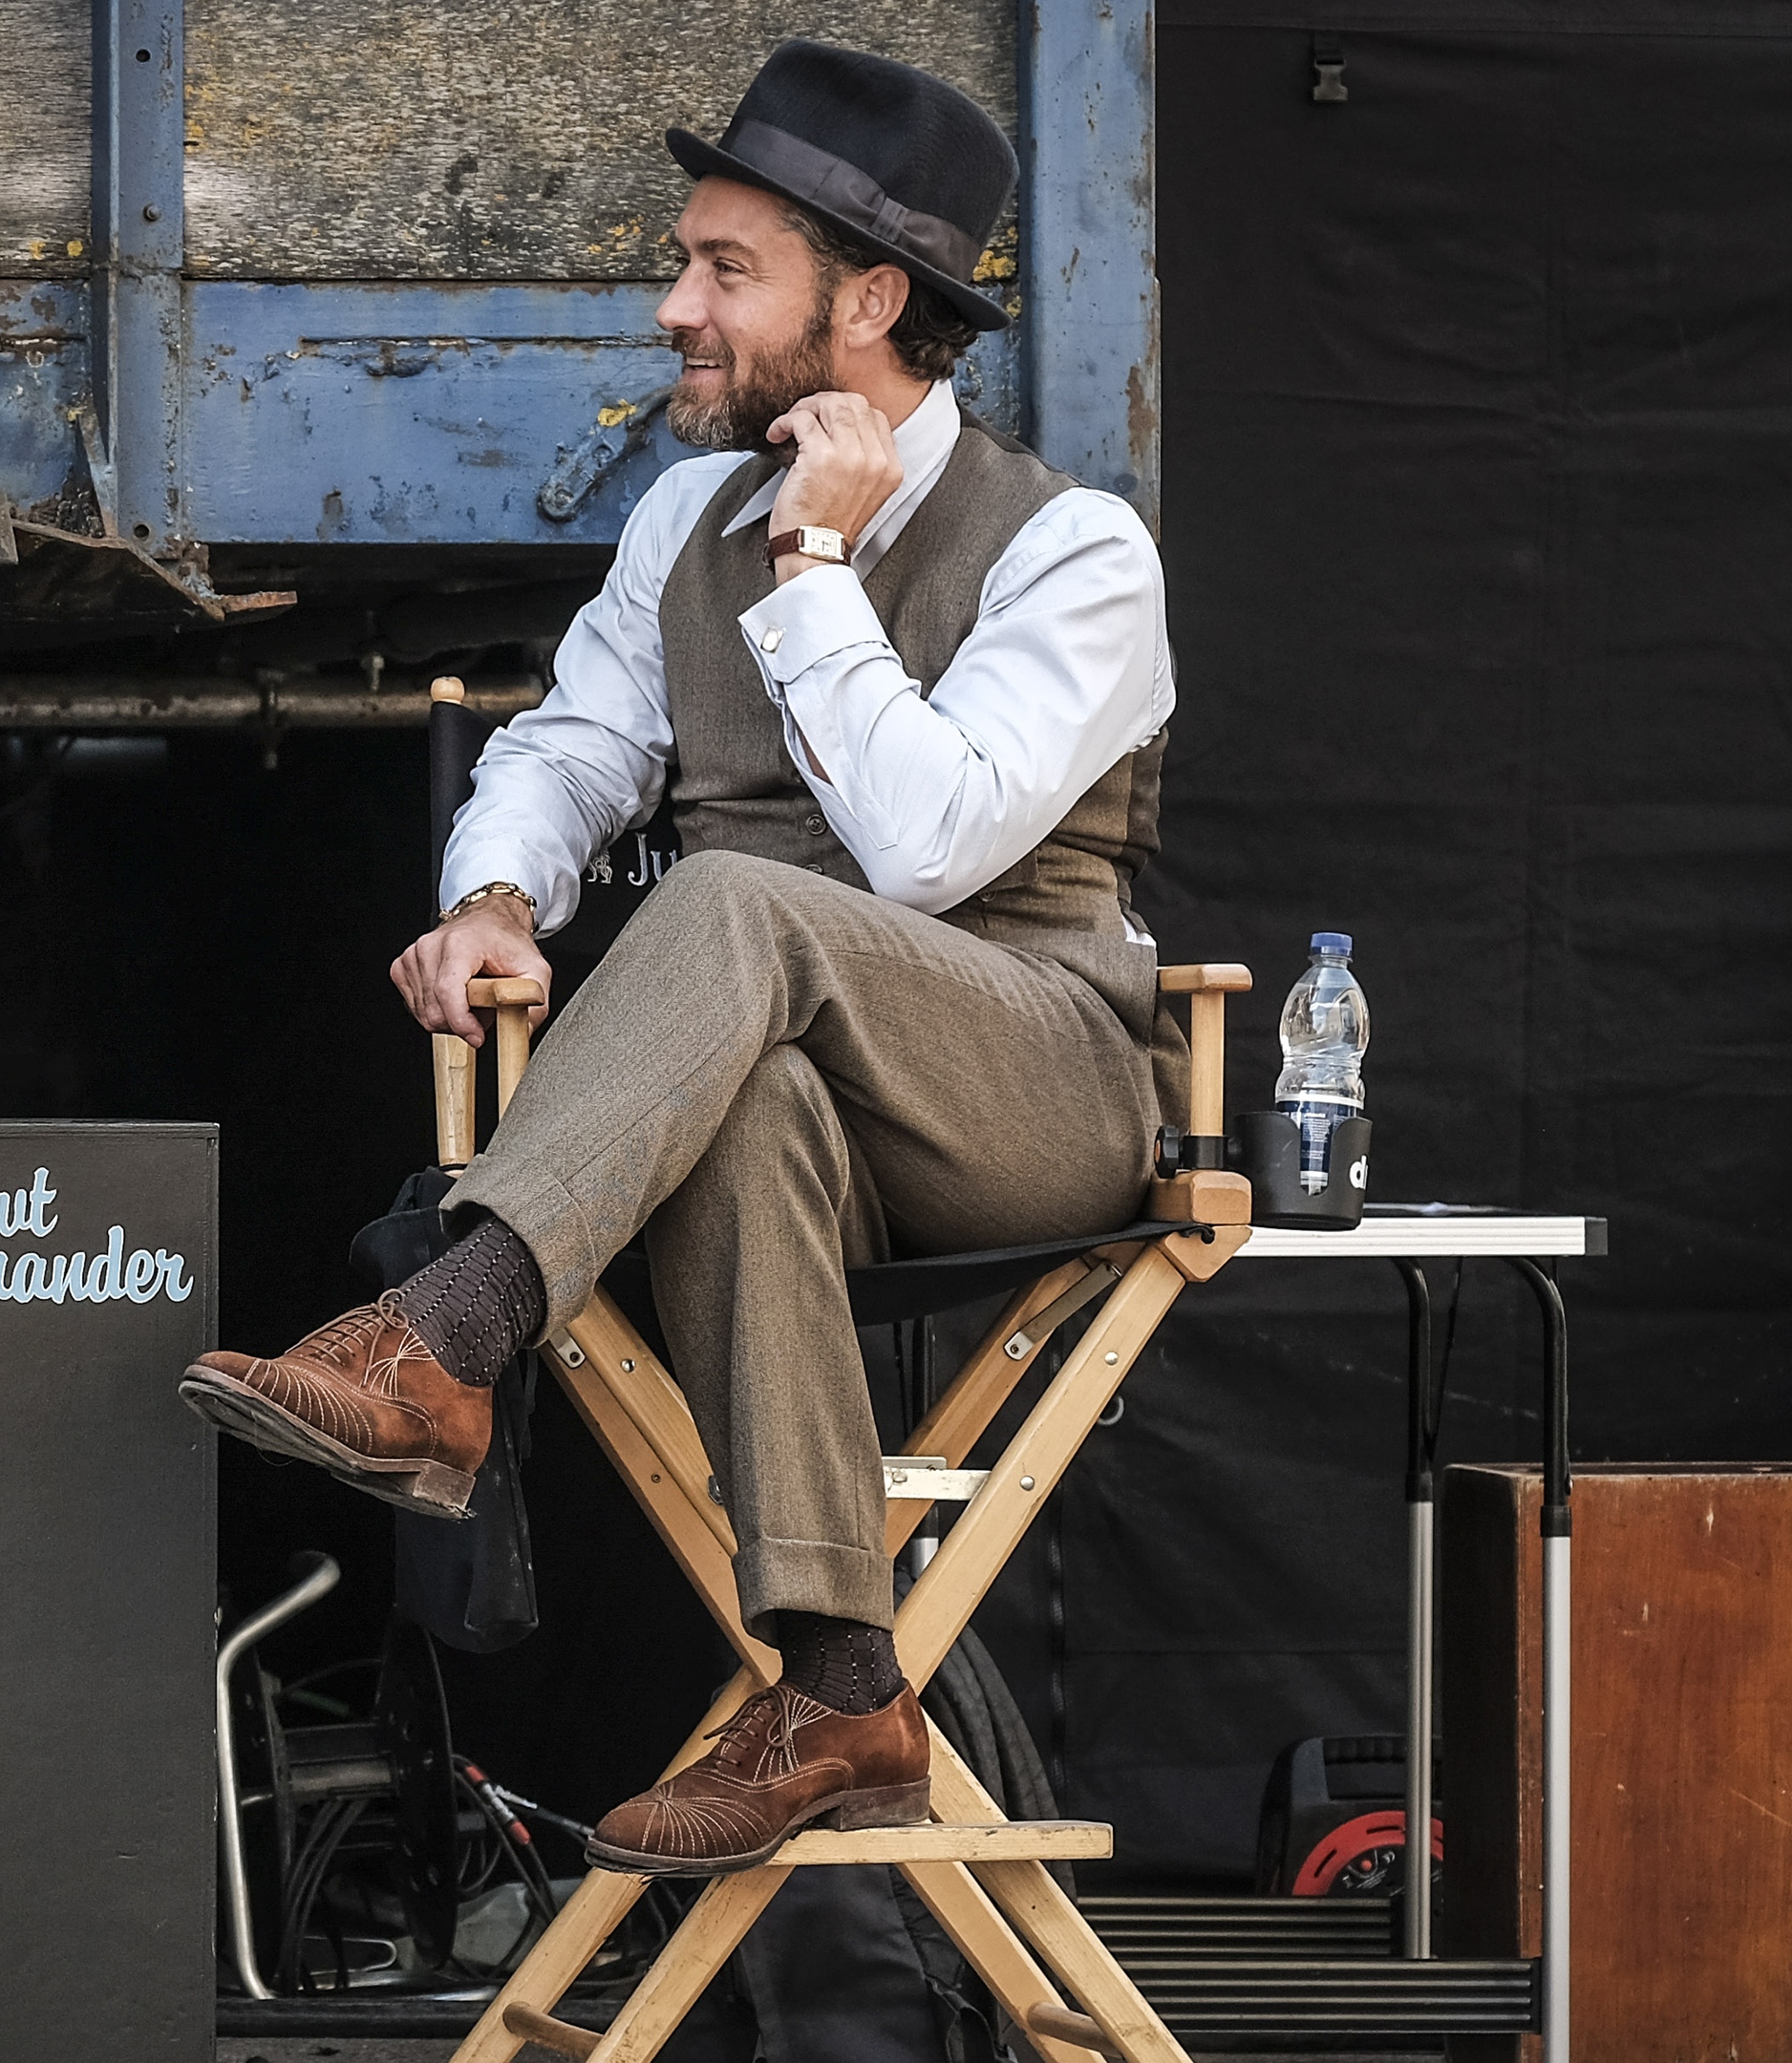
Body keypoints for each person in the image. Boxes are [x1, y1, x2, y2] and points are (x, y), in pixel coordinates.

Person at [182, 42, 1178, 1878]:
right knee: (739, 1098)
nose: (674, 309)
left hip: (1031, 1077)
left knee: (724, 905)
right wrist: (497, 896)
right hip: (803, 1090)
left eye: (727, 270)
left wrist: (816, 570)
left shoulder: (1074, 549)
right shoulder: (677, 523)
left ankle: (449, 1333)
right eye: (685, 263)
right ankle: (843, 1686)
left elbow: (928, 850)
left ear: (867, 305)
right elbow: (570, 750)